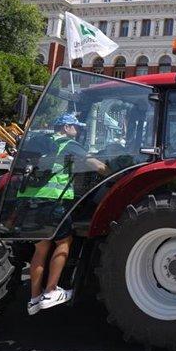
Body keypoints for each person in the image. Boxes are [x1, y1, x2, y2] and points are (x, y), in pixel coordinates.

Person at [24, 113, 108, 315]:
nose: (77, 130)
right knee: (63, 242)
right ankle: (51, 290)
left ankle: (34, 298)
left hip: (29, 200)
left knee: (41, 248)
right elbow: (95, 165)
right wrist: (113, 173)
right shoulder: (68, 143)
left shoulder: (38, 141)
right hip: (53, 201)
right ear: (66, 127)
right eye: (74, 127)